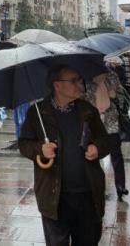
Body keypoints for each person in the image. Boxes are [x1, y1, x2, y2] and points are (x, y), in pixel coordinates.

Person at [19, 66, 112, 245]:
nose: (80, 84)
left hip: (88, 194)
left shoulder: (87, 110)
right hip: (55, 197)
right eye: (73, 81)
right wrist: (40, 149)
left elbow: (105, 140)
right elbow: (24, 144)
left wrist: (97, 148)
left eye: (79, 80)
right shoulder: (38, 112)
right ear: (57, 86)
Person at [85, 71, 129, 200]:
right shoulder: (85, 78)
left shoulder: (112, 76)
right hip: (92, 122)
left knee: (116, 155)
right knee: (92, 155)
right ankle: (94, 185)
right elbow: (81, 99)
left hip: (111, 122)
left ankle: (120, 186)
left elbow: (122, 96)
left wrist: (114, 95)